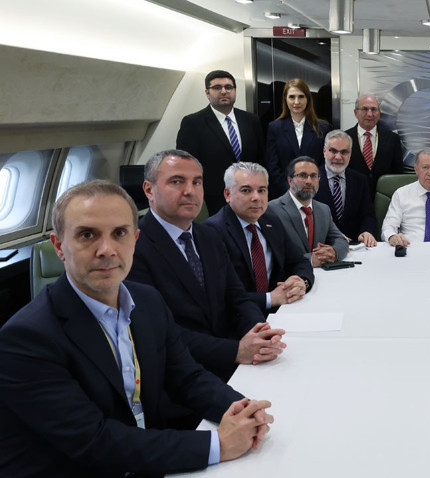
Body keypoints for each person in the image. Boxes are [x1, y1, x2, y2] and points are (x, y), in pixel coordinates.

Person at [0, 180, 274, 476]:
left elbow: (187, 377)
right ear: (59, 246)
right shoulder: (27, 338)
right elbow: (95, 441)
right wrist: (218, 444)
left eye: (119, 233)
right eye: (87, 235)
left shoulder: (147, 300)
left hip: (143, 454)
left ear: (135, 239)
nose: (107, 250)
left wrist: (241, 409)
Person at [128, 150, 285, 382]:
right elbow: (158, 331)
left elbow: (237, 297)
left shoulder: (209, 236)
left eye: (197, 182)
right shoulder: (134, 247)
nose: (190, 191)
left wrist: (260, 332)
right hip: (178, 376)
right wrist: (235, 351)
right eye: (177, 181)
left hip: (233, 362)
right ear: (149, 190)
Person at [205, 162, 314, 314]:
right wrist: (270, 299)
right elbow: (220, 295)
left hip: (282, 312)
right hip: (238, 319)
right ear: (228, 194)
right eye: (246, 190)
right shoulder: (211, 232)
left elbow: (299, 262)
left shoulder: (271, 221)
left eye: (262, 190)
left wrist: (301, 281)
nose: (256, 197)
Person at [177, 70, 265, 215]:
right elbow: (187, 165)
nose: (224, 91)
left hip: (250, 193)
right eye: (217, 87)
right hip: (214, 198)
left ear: (234, 91)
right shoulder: (193, 123)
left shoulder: (251, 120)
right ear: (207, 93)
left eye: (228, 87)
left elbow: (261, 158)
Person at [266, 156, 349, 266]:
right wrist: (310, 260)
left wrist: (333, 252)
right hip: (291, 274)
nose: (309, 181)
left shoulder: (323, 209)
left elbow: (340, 240)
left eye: (314, 176)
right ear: (290, 180)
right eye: (303, 175)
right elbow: (274, 253)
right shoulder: (272, 209)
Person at [265, 78, 331, 199]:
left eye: (301, 96)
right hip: (284, 193)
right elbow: (272, 165)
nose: (296, 102)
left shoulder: (322, 127)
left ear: (308, 99)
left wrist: (312, 185)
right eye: (292, 97)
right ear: (285, 99)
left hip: (315, 192)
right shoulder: (275, 128)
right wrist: (290, 189)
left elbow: (325, 162)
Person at [312, 129, 378, 247]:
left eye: (344, 152)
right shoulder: (310, 180)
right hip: (322, 246)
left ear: (350, 154)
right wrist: (333, 236)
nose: (338, 157)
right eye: (333, 151)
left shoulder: (360, 180)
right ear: (324, 151)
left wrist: (367, 231)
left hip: (355, 246)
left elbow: (368, 215)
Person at [345, 94, 405, 193]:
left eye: (373, 109)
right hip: (354, 195)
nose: (370, 114)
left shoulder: (392, 139)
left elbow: (398, 174)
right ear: (356, 113)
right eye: (365, 109)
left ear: (379, 113)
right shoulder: (344, 138)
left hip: (384, 197)